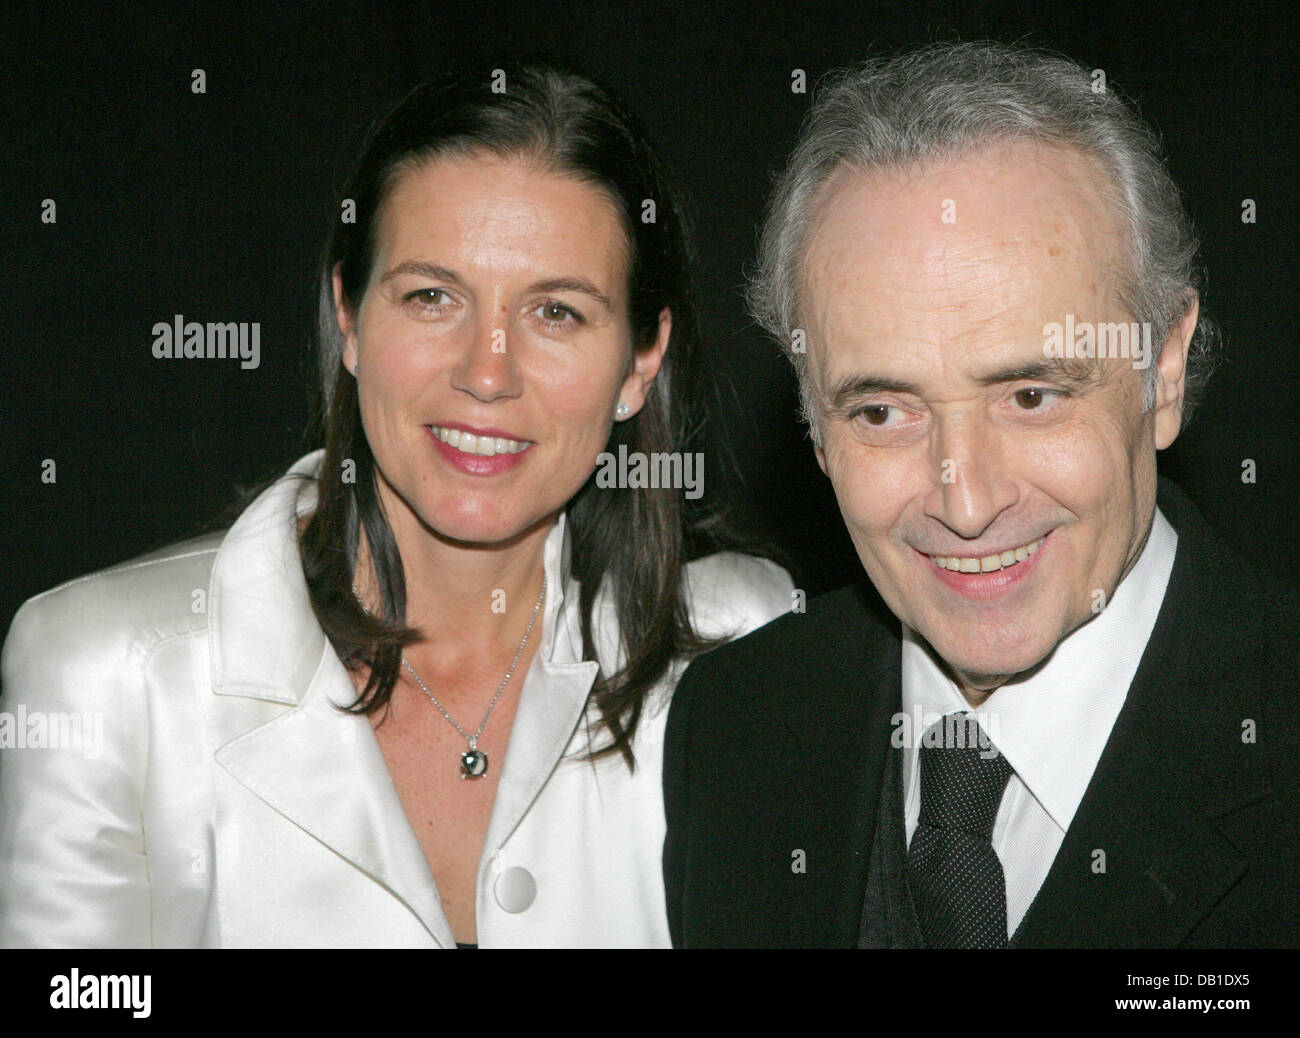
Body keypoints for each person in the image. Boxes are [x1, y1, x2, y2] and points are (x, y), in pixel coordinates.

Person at [0, 63, 792, 948]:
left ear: (640, 364)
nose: (486, 371)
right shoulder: (104, 673)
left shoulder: (750, 651)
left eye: (557, 313)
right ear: (347, 316)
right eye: (432, 297)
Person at [663, 41, 1300, 948]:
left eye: (1031, 397)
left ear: (1162, 369)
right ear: (812, 419)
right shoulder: (738, 728)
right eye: (883, 411)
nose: (964, 503)